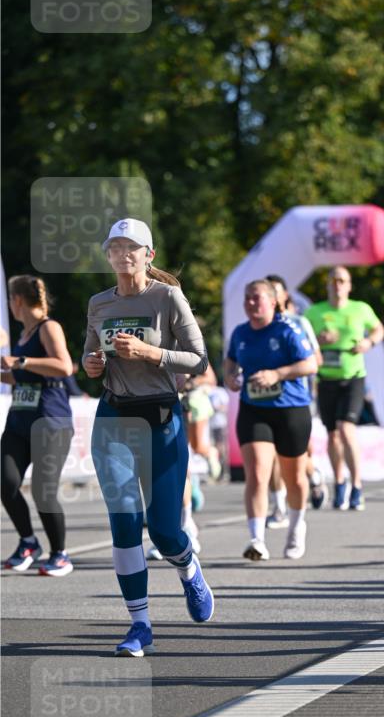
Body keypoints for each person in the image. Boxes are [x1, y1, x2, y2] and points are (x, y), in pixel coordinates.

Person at [83, 218, 214, 657]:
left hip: (160, 417)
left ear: (148, 255)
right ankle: (139, 625)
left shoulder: (167, 297)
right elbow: (90, 355)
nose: (123, 254)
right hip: (114, 419)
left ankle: (189, 568)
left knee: (163, 531)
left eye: (131, 247)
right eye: (115, 247)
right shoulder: (99, 303)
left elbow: (198, 360)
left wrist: (150, 353)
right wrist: (92, 365)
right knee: (123, 523)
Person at [224, 279, 317, 561]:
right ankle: (257, 539)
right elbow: (230, 361)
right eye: (247, 298)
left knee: (295, 478)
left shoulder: (288, 329)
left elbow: (311, 364)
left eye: (257, 298)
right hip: (254, 408)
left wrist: (277, 374)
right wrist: (229, 376)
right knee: (258, 471)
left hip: (291, 409)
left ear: (273, 302)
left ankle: (297, 526)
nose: (251, 304)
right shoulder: (240, 333)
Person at [1, 275, 75, 575]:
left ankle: (60, 554)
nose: (9, 304)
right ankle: (29, 542)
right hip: (19, 419)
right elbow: (20, 376)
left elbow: (64, 365)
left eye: (9, 299)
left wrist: (21, 362)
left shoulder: (49, 327)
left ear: (18, 300)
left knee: (45, 491)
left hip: (50, 421)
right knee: (5, 482)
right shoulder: (22, 334)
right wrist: (8, 371)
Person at [304, 265, 384, 510]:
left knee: (346, 428)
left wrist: (368, 342)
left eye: (342, 280)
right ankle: (340, 483)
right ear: (327, 285)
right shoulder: (314, 312)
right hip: (326, 378)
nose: (337, 285)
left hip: (353, 376)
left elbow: (379, 329)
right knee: (332, 434)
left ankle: (357, 485)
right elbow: (301, 340)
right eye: (333, 280)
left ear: (349, 285)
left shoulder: (360, 308)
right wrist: (318, 340)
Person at [265, 274, 328, 519]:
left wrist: (285, 369)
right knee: (269, 452)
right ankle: (278, 507)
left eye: (276, 291)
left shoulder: (299, 322)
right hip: (265, 399)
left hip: (297, 398)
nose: (271, 295)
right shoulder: (256, 325)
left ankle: (314, 475)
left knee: (293, 453)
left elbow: (317, 360)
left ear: (284, 296)